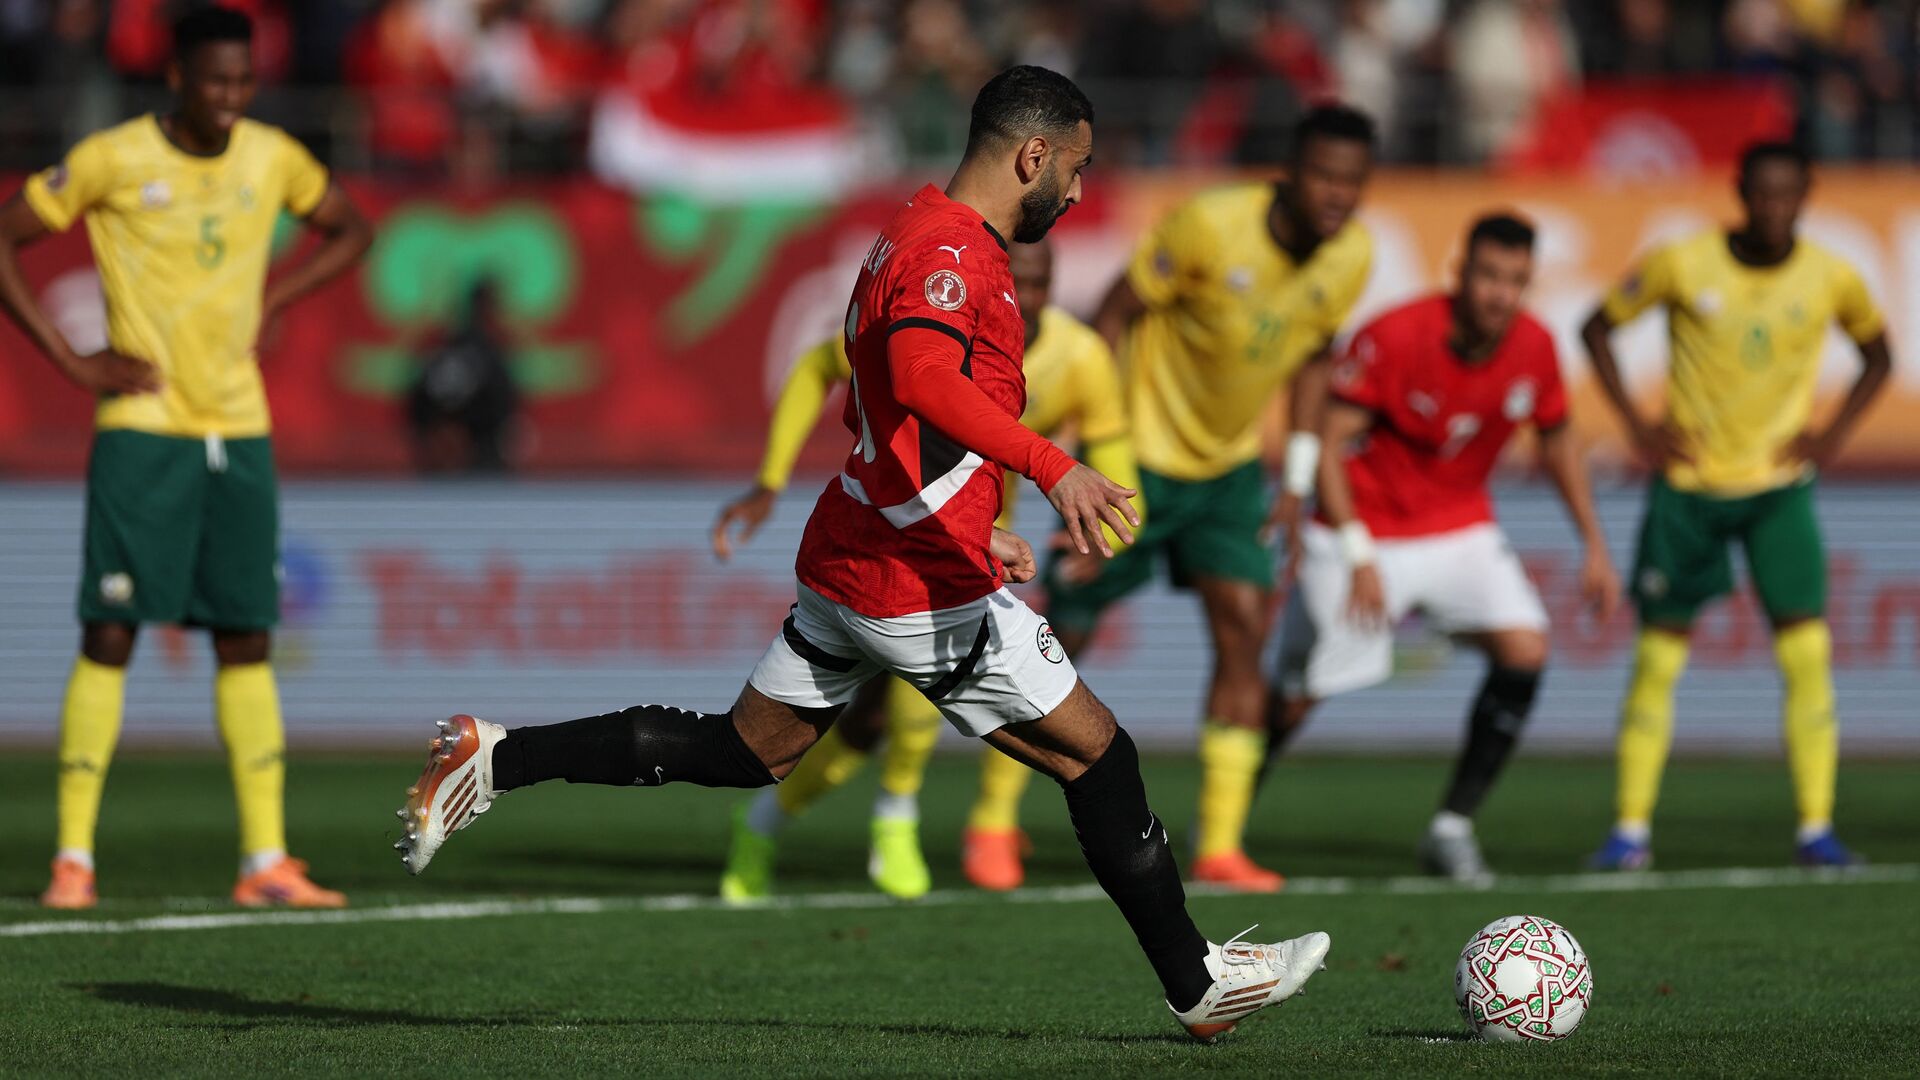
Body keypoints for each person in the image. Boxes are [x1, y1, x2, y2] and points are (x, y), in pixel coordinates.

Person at [395, 66, 1330, 1041]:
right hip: (911, 586)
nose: (1081, 194)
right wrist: (1052, 470)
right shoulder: (951, 256)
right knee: (1099, 756)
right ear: (1033, 155)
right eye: (1079, 170)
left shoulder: (908, 230)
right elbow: (921, 377)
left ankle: (495, 757)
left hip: (860, 551)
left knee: (745, 750)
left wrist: (975, 520)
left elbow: (873, 410)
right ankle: (1197, 983)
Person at [0, 6, 373, 910]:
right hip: (144, 430)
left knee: (247, 636)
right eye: (216, 80)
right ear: (176, 77)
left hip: (239, 430)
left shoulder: (270, 157)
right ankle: (75, 860)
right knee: (112, 630)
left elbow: (353, 228)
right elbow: (6, 235)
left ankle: (265, 862)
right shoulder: (114, 158)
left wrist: (280, 296)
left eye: (244, 80)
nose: (233, 96)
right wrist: (69, 357)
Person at [710, 238, 1142, 900]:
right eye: (1016, 282)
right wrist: (770, 479)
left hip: (974, 548)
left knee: (887, 716)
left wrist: (1095, 532)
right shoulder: (936, 333)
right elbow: (814, 370)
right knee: (859, 722)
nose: (1026, 299)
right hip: (883, 542)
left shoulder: (1078, 357)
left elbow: (1112, 457)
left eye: (1040, 284)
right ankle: (865, 819)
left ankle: (877, 822)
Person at [1075, 105, 1376, 892]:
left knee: (1245, 630)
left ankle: (1221, 845)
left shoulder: (1351, 258)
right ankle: (995, 823)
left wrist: (1299, 482)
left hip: (1233, 472)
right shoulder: (1209, 227)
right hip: (1137, 456)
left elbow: (1315, 363)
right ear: (1291, 173)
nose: (1339, 194)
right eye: (1325, 175)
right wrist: (1090, 442)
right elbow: (1112, 312)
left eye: (1354, 181)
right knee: (1064, 627)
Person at [1269, 213, 1621, 881]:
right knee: (1297, 697)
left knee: (1527, 650)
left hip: (1458, 526)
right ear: (1460, 273)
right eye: (1488, 276)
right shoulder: (1395, 336)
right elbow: (1328, 446)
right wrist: (1358, 551)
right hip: (1364, 529)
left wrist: (1594, 544)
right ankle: (1223, 821)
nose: (1499, 294)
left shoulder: (1536, 348)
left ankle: (1451, 827)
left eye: (1515, 281)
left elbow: (1556, 441)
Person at [1582, 142, 1893, 871]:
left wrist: (1832, 435)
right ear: (1740, 191)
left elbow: (1879, 355)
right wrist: (1636, 424)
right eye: (1762, 194)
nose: (1774, 208)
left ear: (1806, 194)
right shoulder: (1682, 262)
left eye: (1788, 195)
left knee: (1807, 654)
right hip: (1689, 491)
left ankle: (1816, 828)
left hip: (1777, 490)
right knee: (1658, 660)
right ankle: (1630, 831)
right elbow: (1596, 327)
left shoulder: (1831, 276)